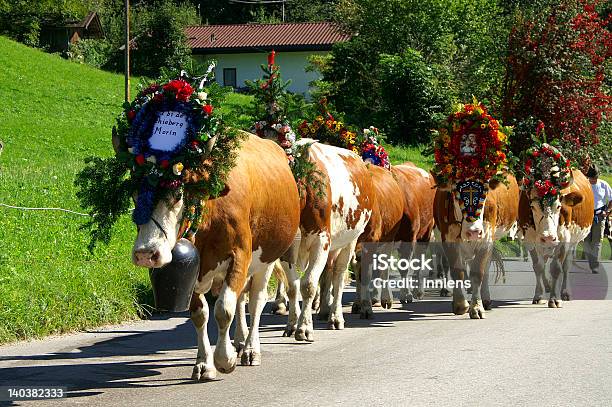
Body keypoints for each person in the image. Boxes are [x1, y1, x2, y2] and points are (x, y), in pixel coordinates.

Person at [583, 165, 612, 273]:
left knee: (597, 240)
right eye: (591, 178)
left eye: (594, 178)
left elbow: (611, 199)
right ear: (588, 177)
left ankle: (594, 266)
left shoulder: (603, 185)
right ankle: (590, 262)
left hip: (599, 215)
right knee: (586, 240)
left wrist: (607, 211)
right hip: (586, 215)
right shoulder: (584, 184)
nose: (593, 180)